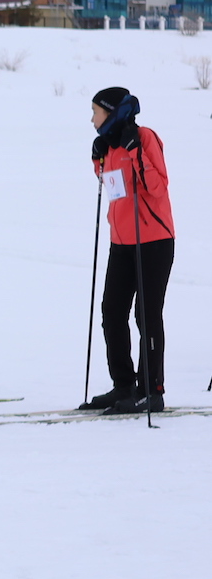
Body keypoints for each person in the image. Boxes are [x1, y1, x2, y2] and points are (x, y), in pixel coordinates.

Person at [84, 87, 174, 414]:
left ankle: (152, 390)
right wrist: (99, 157)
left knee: (146, 316)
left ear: (113, 112)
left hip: (153, 241)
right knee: (112, 312)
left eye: (96, 111)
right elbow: (113, 188)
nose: (92, 118)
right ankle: (124, 385)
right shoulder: (110, 145)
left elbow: (156, 186)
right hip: (121, 242)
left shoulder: (145, 137)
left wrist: (134, 150)